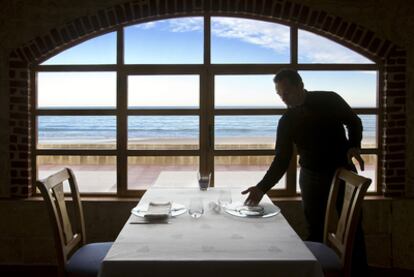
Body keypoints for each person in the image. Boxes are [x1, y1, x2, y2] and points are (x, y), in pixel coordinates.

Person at [241, 69, 368, 275]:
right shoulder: (287, 120)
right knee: (315, 228)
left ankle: (361, 273)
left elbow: (354, 121)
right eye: (280, 95)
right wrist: (261, 188)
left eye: (287, 92)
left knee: (354, 231)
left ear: (300, 85)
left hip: (342, 169)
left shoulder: (329, 99)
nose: (284, 98)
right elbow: (282, 160)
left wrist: (354, 145)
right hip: (310, 175)